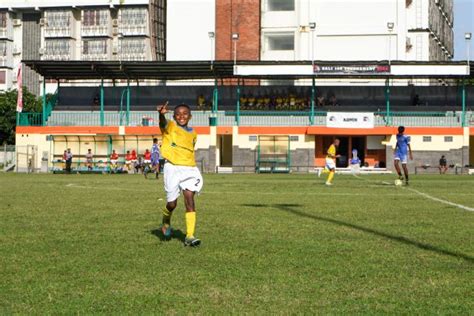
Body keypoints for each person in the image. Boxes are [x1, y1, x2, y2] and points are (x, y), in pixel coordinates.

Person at [157, 101, 203, 247]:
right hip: (172, 168)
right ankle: (166, 219)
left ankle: (189, 236)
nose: (181, 116)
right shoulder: (170, 126)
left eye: (184, 114)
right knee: (172, 204)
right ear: (174, 116)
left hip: (189, 169)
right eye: (178, 114)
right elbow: (162, 124)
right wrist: (161, 115)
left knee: (189, 199)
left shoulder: (194, 133)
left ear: (190, 116)